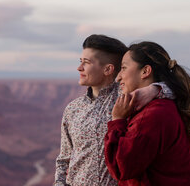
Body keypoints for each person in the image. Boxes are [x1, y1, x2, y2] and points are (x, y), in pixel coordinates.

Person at [54, 35, 173, 186]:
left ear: (108, 69)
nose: (79, 68)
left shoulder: (129, 99)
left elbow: (178, 91)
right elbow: (64, 158)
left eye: (86, 62)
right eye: (80, 62)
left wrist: (154, 89)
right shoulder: (73, 109)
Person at [104, 41, 190, 186]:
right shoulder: (166, 103)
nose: (118, 77)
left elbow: (121, 168)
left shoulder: (152, 116)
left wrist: (117, 121)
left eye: (123, 68)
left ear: (145, 71)